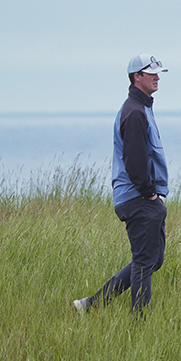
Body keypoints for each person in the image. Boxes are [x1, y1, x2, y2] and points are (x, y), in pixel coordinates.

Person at [73, 54, 169, 314]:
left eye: (158, 73)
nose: (157, 77)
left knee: (152, 260)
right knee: (144, 262)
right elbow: (134, 160)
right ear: (137, 77)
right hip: (137, 198)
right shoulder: (134, 112)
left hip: (141, 198)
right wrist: (150, 194)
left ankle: (90, 305)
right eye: (152, 73)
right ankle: (140, 324)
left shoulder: (142, 108)